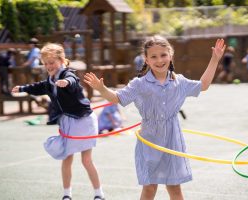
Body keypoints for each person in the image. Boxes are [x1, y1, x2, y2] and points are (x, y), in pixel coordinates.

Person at [84, 35, 225, 200]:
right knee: (150, 188)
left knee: (175, 188)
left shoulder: (179, 82)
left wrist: (215, 59)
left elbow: (203, 85)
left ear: (170, 55)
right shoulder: (139, 84)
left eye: (163, 55)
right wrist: (102, 89)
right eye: (154, 56)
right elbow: (117, 98)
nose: (159, 60)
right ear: (146, 60)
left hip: (172, 140)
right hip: (149, 140)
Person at [12, 43, 105, 200]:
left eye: (52, 62)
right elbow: (38, 86)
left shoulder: (68, 74)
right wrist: (22, 88)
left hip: (83, 120)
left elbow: (72, 80)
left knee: (86, 160)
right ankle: (67, 194)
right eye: (46, 63)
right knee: (66, 158)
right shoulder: (50, 80)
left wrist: (66, 82)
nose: (49, 66)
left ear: (62, 60)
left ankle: (99, 194)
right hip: (67, 122)